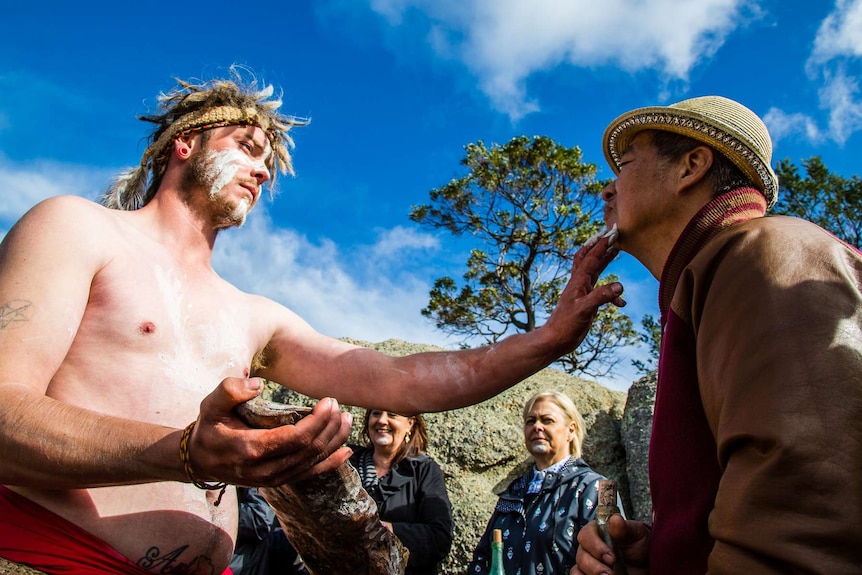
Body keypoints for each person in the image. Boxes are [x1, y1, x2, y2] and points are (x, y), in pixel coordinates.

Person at [0, 67, 625, 575]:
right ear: (183, 144)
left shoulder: (253, 316)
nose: (264, 170)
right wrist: (188, 453)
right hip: (55, 554)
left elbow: (404, 381)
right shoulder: (77, 227)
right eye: (246, 147)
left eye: (268, 158)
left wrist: (548, 339)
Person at [572, 96, 862, 575]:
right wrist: (665, 552)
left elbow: (807, 524)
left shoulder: (768, 256)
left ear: (691, 166)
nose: (607, 189)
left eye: (623, 165)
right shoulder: (715, 277)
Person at [468, 390, 611, 575]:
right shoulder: (514, 492)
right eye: (530, 421)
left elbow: (610, 559)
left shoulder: (598, 488)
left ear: (571, 430)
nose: (537, 426)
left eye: (547, 420)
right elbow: (482, 559)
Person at [348, 409, 453, 574]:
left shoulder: (424, 471)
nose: (382, 420)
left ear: (410, 424)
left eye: (392, 414)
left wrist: (387, 530)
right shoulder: (346, 465)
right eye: (376, 413)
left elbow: (439, 539)